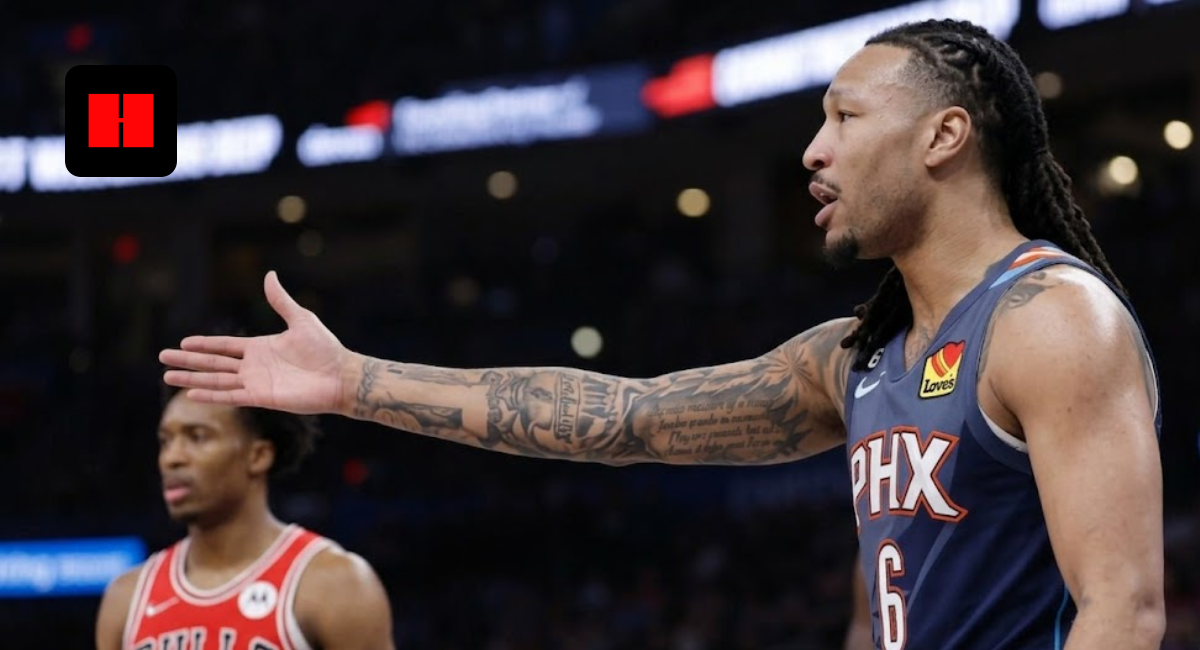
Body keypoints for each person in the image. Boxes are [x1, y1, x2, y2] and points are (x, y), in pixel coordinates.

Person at [159, 18, 1164, 649]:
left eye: (845, 118)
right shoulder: (856, 357)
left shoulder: (1050, 318)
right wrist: (354, 381)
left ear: (946, 135)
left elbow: (1124, 613)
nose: (813, 150)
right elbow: (621, 414)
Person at [94, 388, 394, 650]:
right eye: (165, 441)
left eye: (197, 437)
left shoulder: (336, 584)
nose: (172, 458)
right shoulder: (126, 598)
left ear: (258, 455)